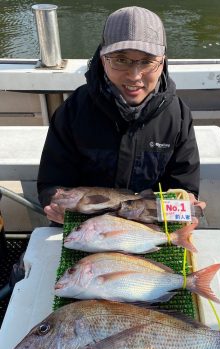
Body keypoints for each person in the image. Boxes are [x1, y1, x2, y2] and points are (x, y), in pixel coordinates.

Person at [37, 6, 200, 224]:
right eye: (121, 60)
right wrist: (55, 205)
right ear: (103, 59)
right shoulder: (72, 111)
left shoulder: (178, 116)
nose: (134, 76)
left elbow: (183, 186)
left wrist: (187, 202)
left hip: (148, 226)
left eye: (147, 60)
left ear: (162, 61)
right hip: (82, 225)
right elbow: (51, 183)